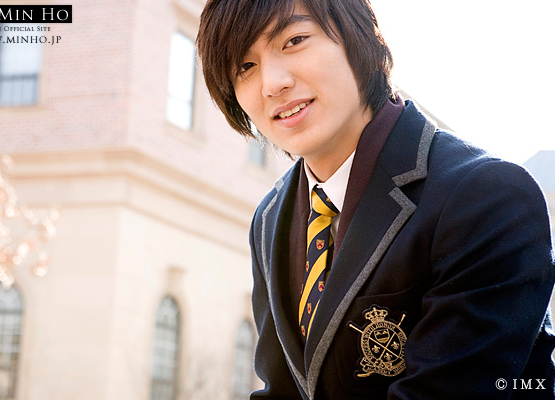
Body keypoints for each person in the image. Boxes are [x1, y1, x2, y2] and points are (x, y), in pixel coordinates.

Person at [196, 0, 555, 398]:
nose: (272, 83)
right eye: (246, 66)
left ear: (358, 34)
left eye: (294, 40)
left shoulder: (488, 196)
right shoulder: (270, 217)